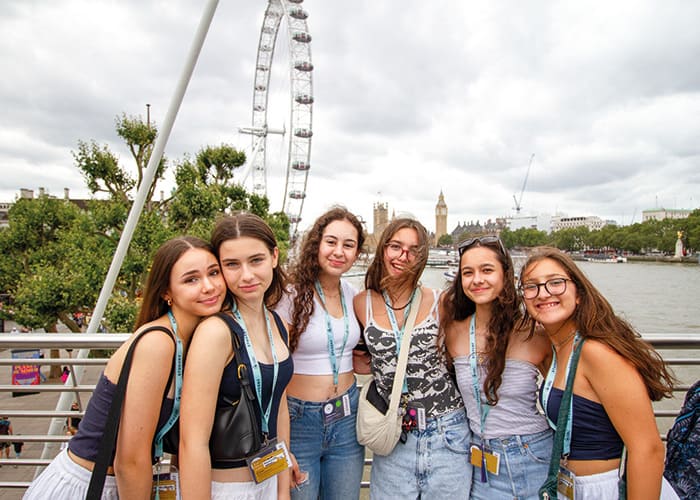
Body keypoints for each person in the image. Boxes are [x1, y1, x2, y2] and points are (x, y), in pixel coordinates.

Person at [23, 236, 226, 499]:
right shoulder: (158, 343)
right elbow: (129, 461)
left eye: (214, 273)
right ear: (166, 292)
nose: (209, 286)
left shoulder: (188, 340)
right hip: (88, 486)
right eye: (191, 279)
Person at [519, 247, 677, 499]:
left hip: (601, 489)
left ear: (579, 293)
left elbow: (647, 449)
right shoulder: (558, 348)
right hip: (567, 487)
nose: (544, 293)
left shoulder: (596, 353)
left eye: (555, 283)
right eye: (531, 286)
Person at [353, 217, 471, 499]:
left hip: (446, 431)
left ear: (422, 257)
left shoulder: (441, 301)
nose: (402, 256)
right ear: (383, 249)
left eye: (413, 250)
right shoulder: (362, 303)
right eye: (396, 246)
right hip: (394, 434)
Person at [179, 213, 294, 500]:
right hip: (225, 489)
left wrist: (281, 492)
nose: (246, 275)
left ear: (274, 257)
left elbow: (279, 408)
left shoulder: (278, 325)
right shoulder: (216, 333)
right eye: (232, 264)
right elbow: (192, 441)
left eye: (256, 260)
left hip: (267, 481)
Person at [440, 235, 553, 499]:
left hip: (534, 454)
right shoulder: (453, 332)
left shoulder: (534, 332)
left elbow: (561, 395)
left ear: (505, 276)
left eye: (487, 270)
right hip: (481, 462)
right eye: (468, 272)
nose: (477, 279)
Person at [276, 207, 365, 499]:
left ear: (357, 252)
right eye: (331, 242)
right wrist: (282, 445)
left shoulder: (354, 296)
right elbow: (275, 369)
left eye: (348, 245)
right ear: (317, 244)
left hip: (346, 417)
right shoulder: (289, 297)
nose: (339, 251)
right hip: (300, 419)